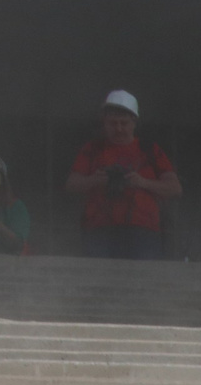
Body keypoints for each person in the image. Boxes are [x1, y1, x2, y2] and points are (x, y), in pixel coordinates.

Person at [64, 90, 180, 260]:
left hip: (143, 231)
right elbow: (71, 185)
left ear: (134, 122)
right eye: (113, 123)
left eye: (123, 123)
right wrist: (94, 180)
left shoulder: (150, 149)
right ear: (104, 122)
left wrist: (142, 183)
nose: (118, 129)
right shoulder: (93, 149)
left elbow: (175, 189)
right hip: (99, 230)